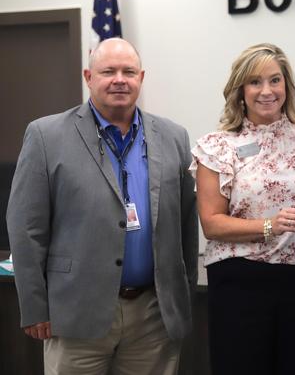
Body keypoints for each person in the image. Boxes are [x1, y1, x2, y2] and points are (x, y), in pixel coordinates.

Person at [7, 37, 197, 375]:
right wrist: (34, 307)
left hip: (153, 317)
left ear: (141, 77)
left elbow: (185, 224)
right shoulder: (45, 136)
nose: (119, 79)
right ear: (88, 76)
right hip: (75, 314)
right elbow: (26, 228)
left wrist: (181, 300)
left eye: (129, 71)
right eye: (108, 71)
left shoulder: (174, 137)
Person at [191, 43, 295, 375]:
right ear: (240, 90)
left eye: (275, 80)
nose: (267, 90)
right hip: (239, 283)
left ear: (287, 86)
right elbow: (212, 224)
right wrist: (269, 225)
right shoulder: (216, 146)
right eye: (255, 82)